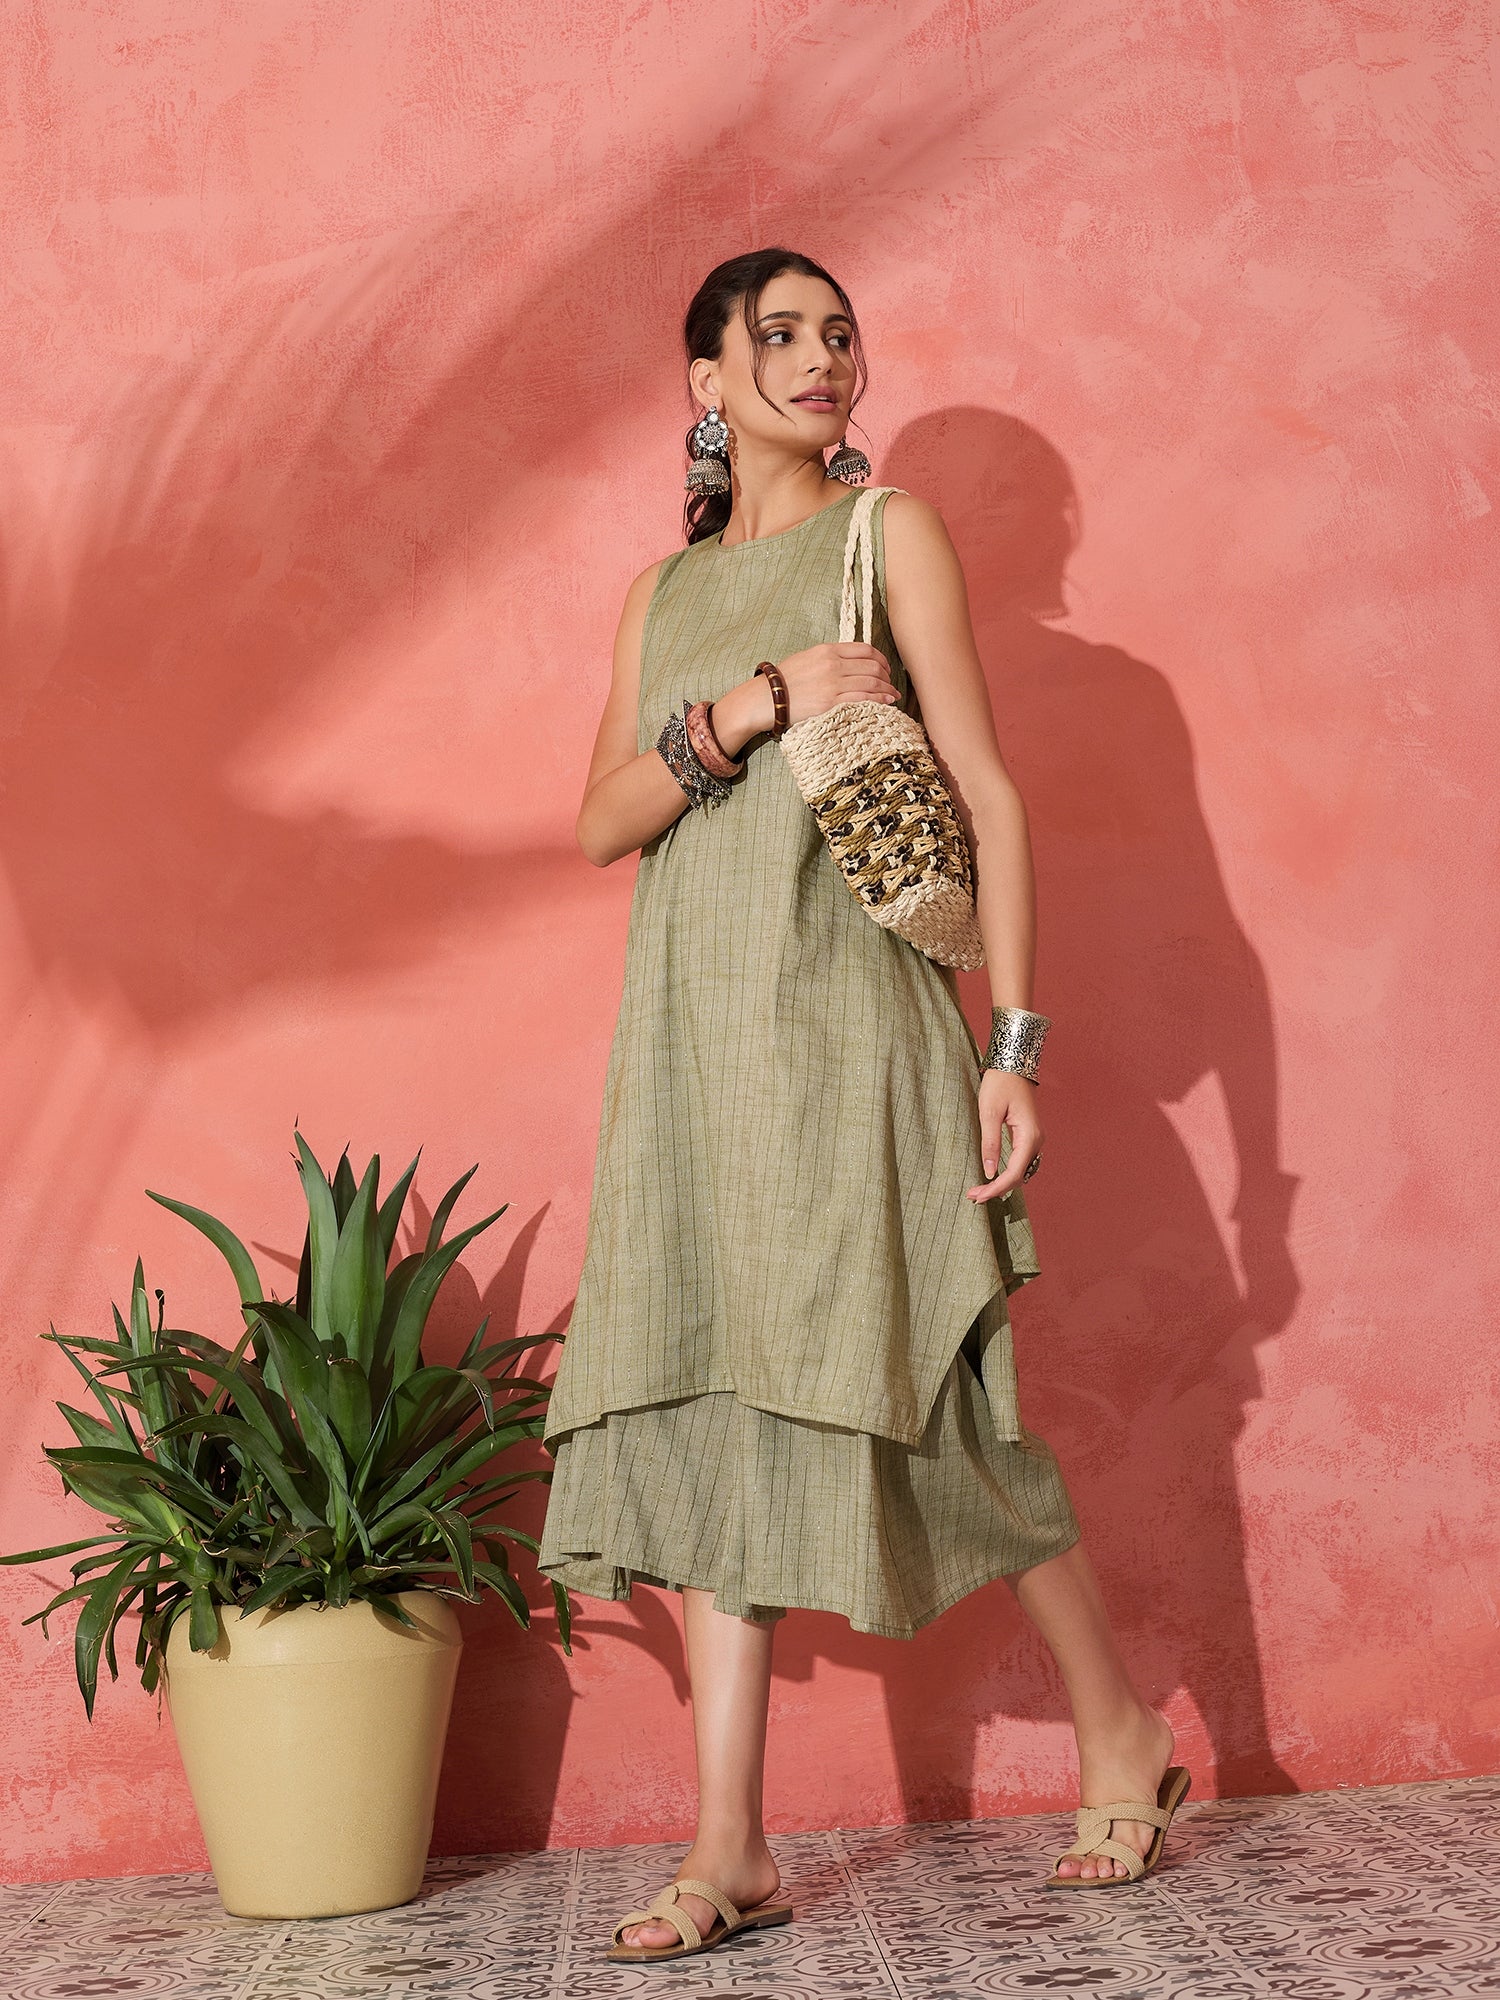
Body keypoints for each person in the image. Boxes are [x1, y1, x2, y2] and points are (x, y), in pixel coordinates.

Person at [535, 247, 1190, 1964]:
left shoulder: (883, 535)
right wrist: (757, 704)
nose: (822, 357)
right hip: (693, 1055)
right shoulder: (664, 595)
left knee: (933, 1399)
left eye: (839, 335)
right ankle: (731, 1844)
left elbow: (990, 790)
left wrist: (1014, 1047)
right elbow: (600, 820)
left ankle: (1120, 1727)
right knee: (722, 1400)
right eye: (780, 335)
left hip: (858, 1035)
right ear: (706, 380)